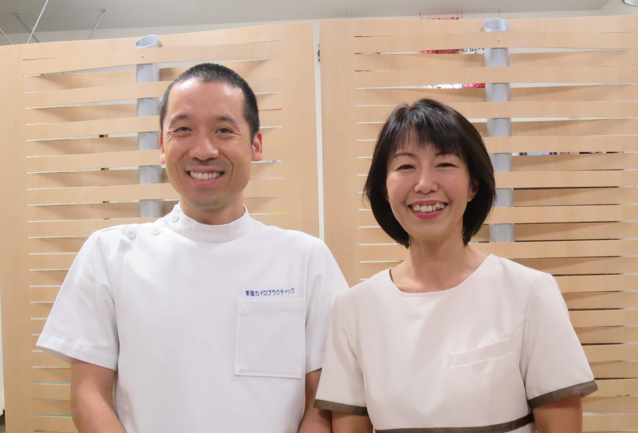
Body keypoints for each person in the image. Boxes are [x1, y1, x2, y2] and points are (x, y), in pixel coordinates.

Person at [37, 63, 345, 433]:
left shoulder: (305, 259)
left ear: (256, 145)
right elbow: (89, 396)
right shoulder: (110, 253)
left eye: (223, 130)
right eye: (183, 129)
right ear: (162, 146)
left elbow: (321, 404)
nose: (203, 150)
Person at [313, 99, 597, 433]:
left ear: (473, 184)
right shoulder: (353, 310)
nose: (424, 184)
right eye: (406, 166)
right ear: (384, 189)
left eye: (444, 164)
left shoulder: (529, 293)